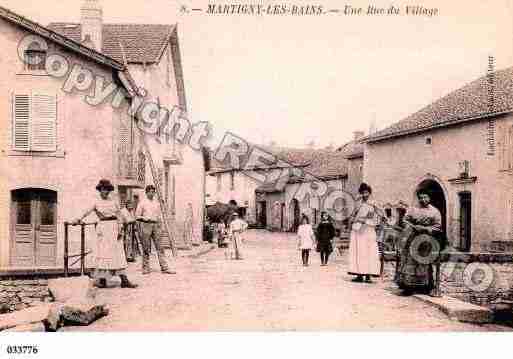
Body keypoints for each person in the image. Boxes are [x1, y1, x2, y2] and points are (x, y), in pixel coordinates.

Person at [73, 179, 138, 289]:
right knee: (103, 253)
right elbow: (86, 211)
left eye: (107, 190)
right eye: (103, 189)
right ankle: (102, 280)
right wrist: (78, 219)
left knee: (118, 254)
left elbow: (119, 215)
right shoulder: (96, 202)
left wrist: (120, 229)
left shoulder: (113, 202)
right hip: (103, 228)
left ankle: (124, 280)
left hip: (114, 228)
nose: (105, 192)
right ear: (100, 190)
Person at [396, 189, 442, 296]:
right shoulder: (413, 209)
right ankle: (408, 287)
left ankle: (425, 287)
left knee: (424, 262)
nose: (423, 200)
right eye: (421, 197)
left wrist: (426, 229)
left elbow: (438, 226)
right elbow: (404, 220)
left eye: (425, 197)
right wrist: (412, 226)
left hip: (426, 240)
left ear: (429, 198)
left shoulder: (435, 212)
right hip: (412, 238)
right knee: (410, 261)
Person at [136, 185, 176, 275]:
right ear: (146, 192)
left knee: (160, 247)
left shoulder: (157, 203)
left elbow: (159, 215)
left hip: (156, 225)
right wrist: (144, 218)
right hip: (146, 224)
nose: (152, 193)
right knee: (146, 247)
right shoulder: (142, 203)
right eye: (150, 191)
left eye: (153, 192)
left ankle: (164, 267)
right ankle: (145, 268)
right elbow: (137, 216)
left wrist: (160, 226)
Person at [347, 183, 381, 283]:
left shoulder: (373, 204)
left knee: (369, 252)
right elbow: (353, 216)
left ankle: (368, 275)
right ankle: (359, 274)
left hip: (368, 230)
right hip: (357, 230)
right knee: (358, 252)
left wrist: (365, 220)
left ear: (369, 193)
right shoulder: (358, 204)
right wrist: (353, 222)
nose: (364, 195)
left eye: (366, 192)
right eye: (362, 193)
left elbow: (376, 218)